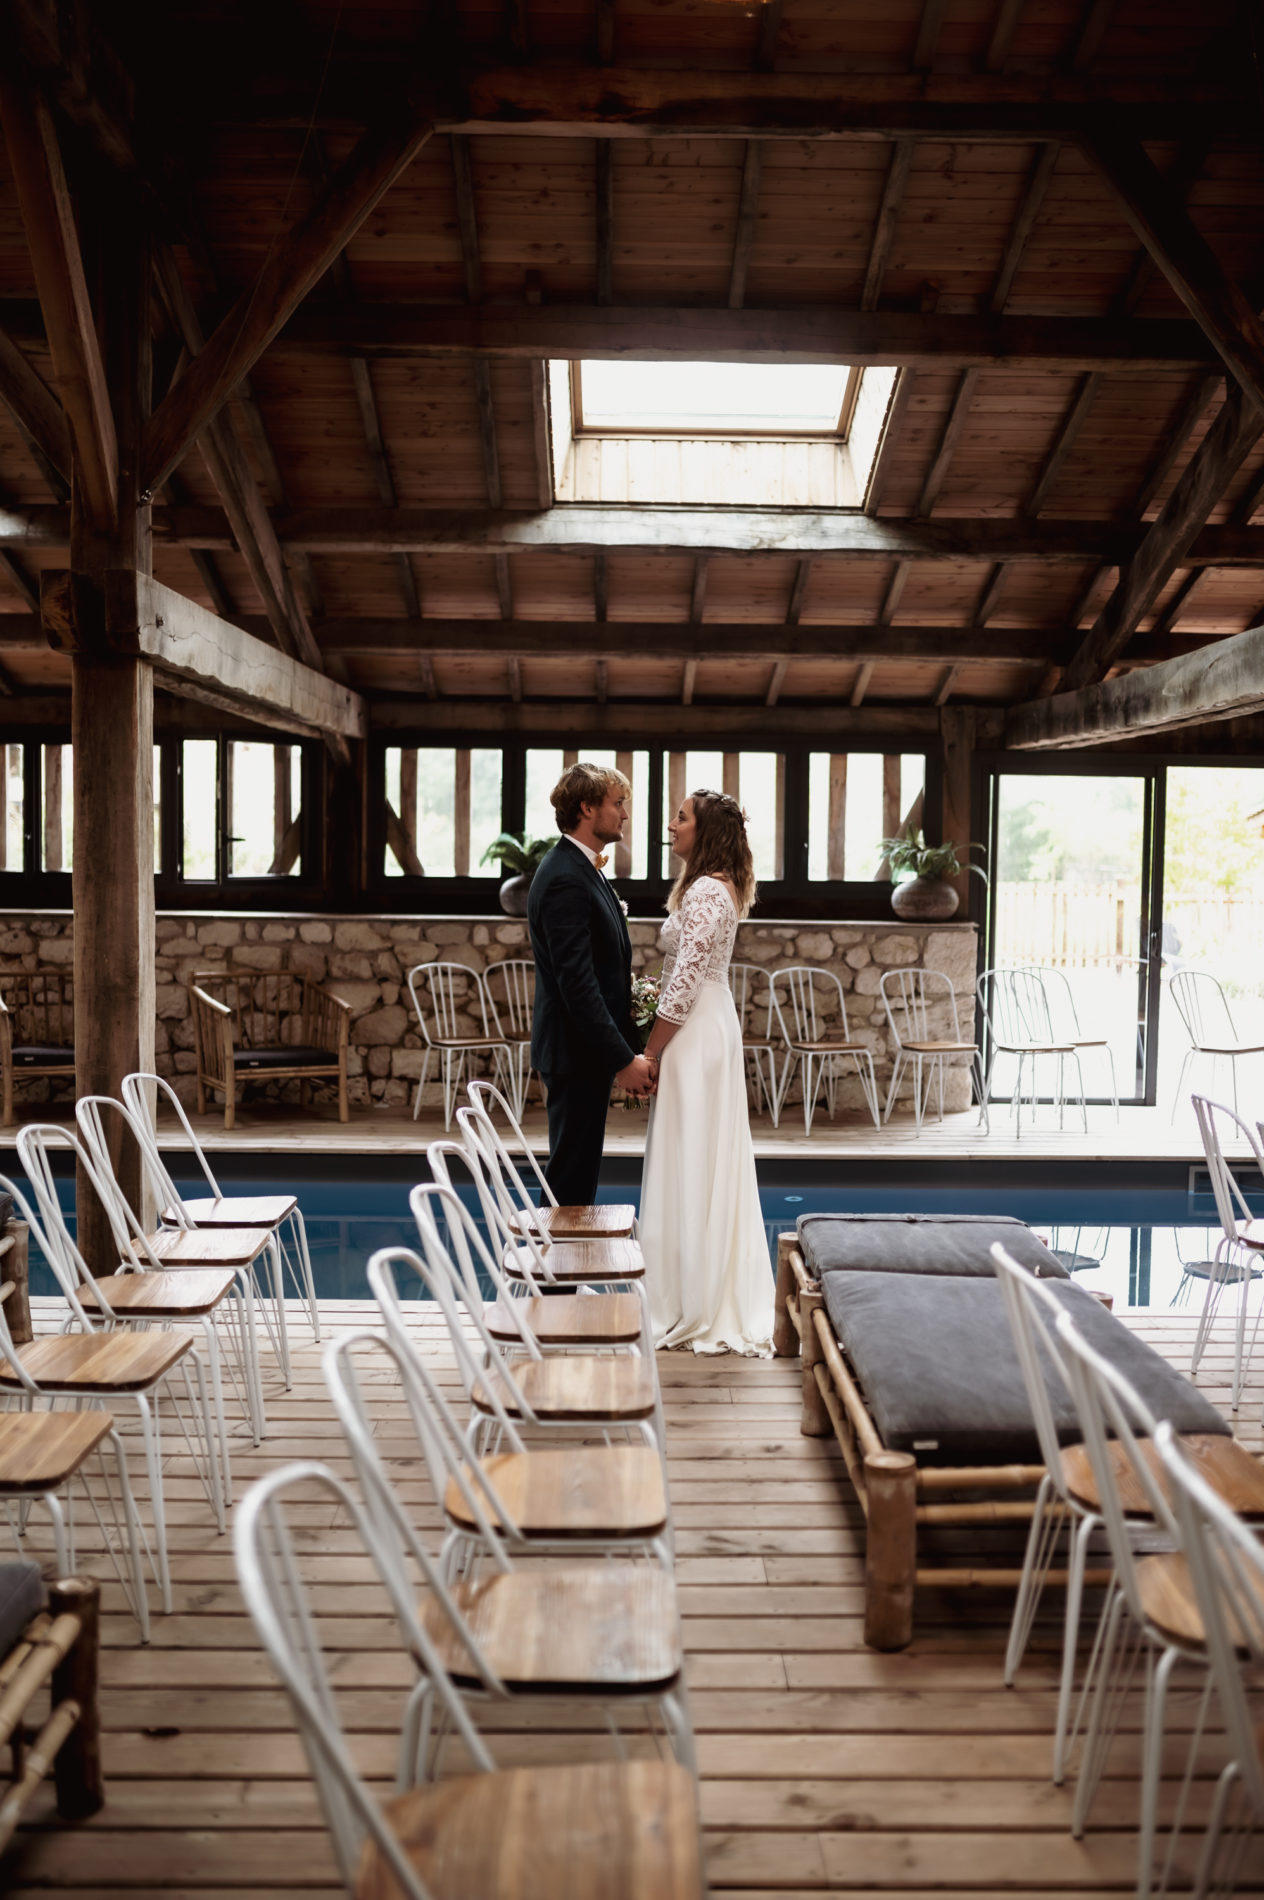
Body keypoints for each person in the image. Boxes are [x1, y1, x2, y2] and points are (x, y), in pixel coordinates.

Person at [640, 790, 774, 1355]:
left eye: (681, 817)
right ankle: (688, 1281)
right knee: (694, 1150)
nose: (671, 825)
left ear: (707, 831)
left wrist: (648, 1052)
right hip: (707, 1022)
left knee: (692, 1152)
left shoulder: (706, 892)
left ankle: (691, 1298)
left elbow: (686, 979)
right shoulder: (717, 888)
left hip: (695, 1028)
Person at [527, 762, 656, 1206]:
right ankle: (547, 1277)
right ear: (587, 808)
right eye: (617, 804)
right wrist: (622, 1059)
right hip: (574, 1053)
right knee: (569, 1183)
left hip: (582, 1052)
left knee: (576, 1178)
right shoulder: (565, 877)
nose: (624, 814)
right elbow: (577, 986)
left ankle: (561, 1275)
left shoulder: (582, 868)